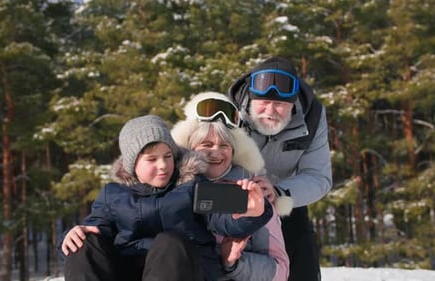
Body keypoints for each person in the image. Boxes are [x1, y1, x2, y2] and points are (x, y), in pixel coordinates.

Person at [60, 115, 273, 281]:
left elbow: (225, 220)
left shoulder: (193, 185)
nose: (162, 165)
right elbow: (94, 232)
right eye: (152, 159)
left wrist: (252, 211)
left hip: (183, 270)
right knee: (85, 241)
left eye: (168, 156)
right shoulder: (113, 195)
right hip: (129, 271)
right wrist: (72, 237)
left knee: (169, 243)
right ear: (132, 164)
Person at [228, 57, 333, 281]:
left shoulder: (312, 117)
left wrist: (278, 193)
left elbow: (318, 176)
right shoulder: (227, 113)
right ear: (250, 100)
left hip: (284, 200)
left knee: (302, 257)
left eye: (280, 104)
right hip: (231, 201)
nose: (271, 110)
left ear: (293, 104)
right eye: (263, 102)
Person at [171, 91, 292, 281]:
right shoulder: (169, 187)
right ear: (189, 147)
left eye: (224, 145)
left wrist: (233, 263)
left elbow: (280, 270)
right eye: (206, 144)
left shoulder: (251, 191)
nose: (216, 153)